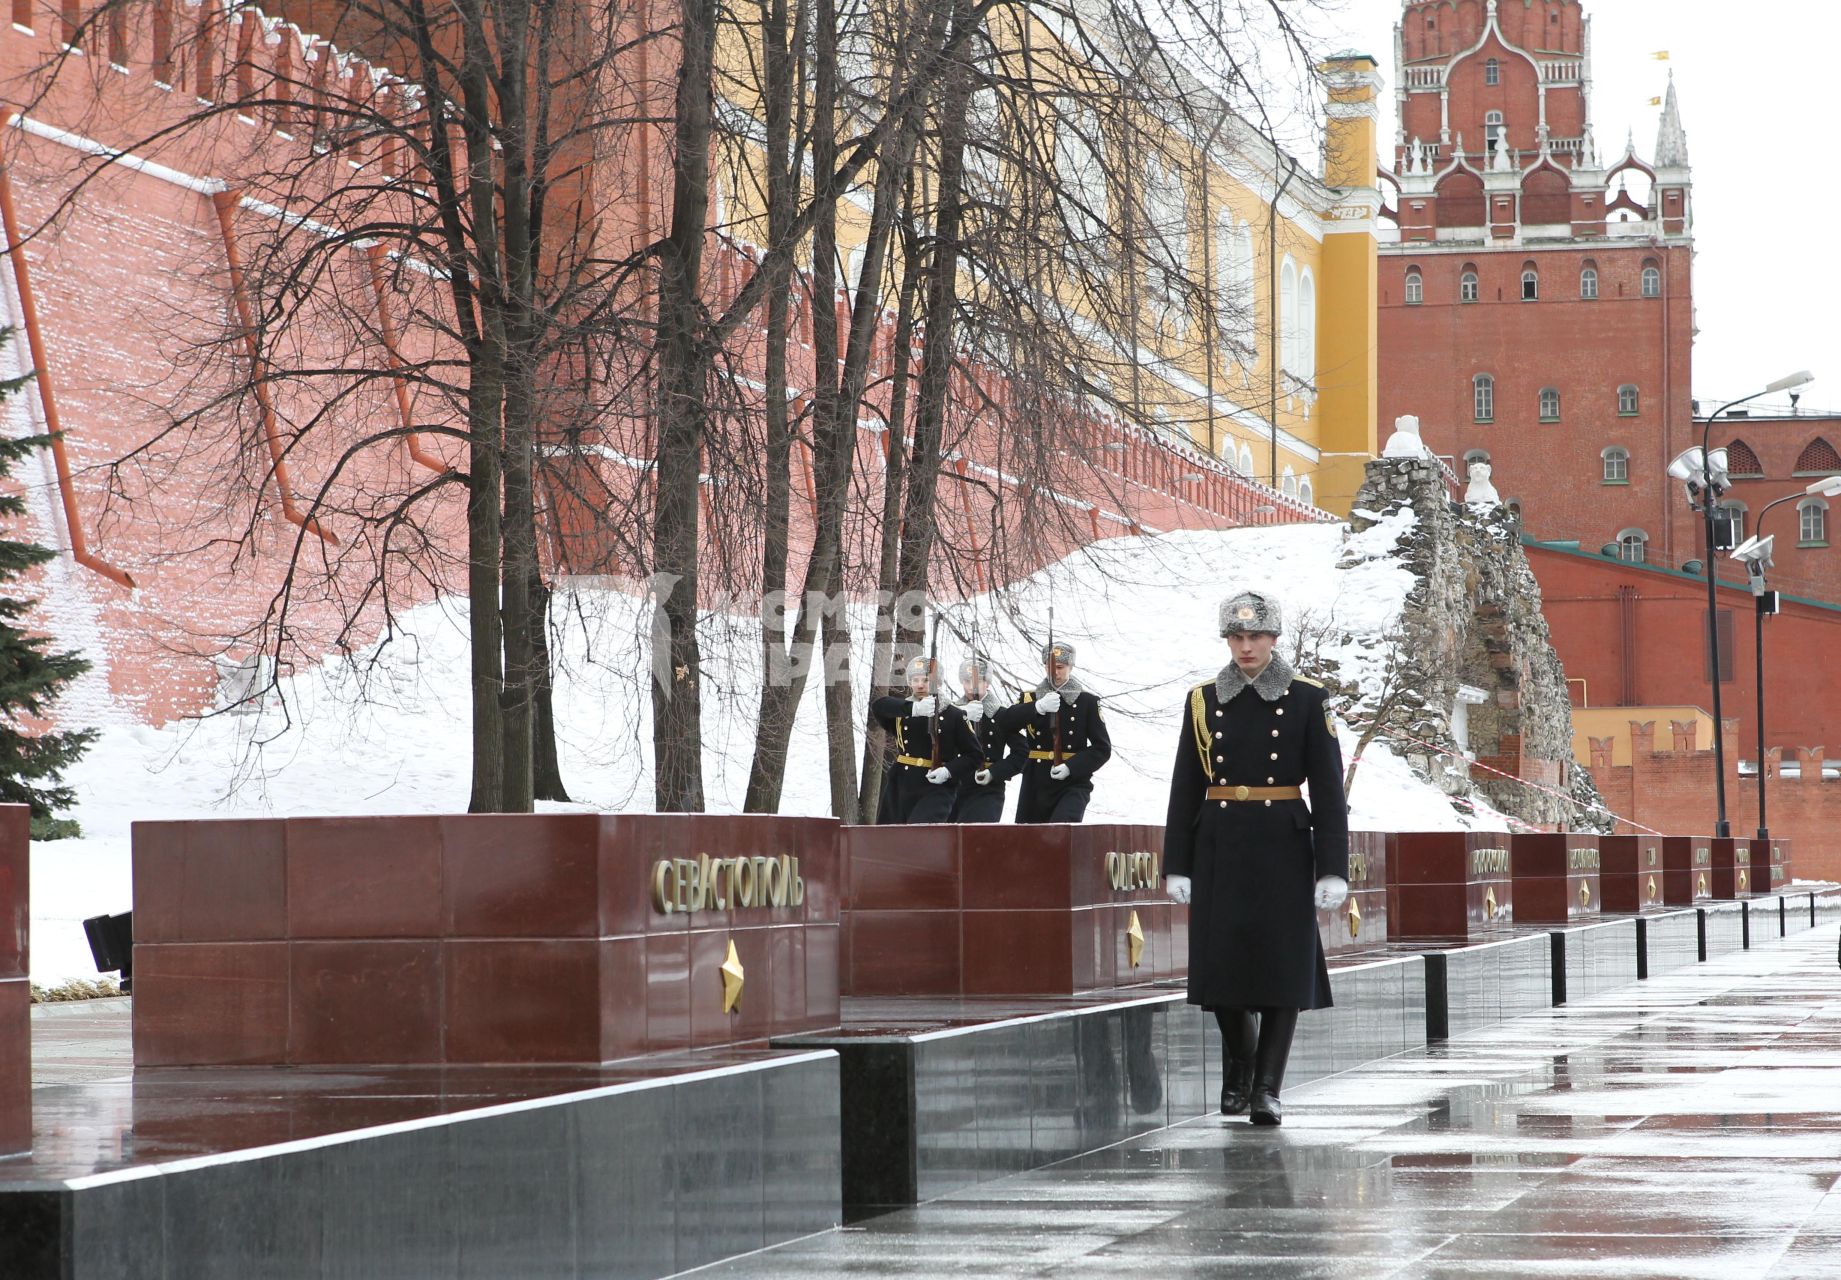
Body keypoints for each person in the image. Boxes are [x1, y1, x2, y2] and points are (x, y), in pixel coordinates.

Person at [1161, 590, 1348, 1126]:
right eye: (1237, 637)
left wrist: (1333, 866)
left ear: (1274, 639)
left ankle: (1266, 1087)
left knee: (1282, 969)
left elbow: (1329, 791)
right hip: (1219, 839)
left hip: (1283, 843)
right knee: (1221, 971)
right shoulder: (1202, 700)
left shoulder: (1308, 698)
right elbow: (1185, 784)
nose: (1246, 647)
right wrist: (1177, 859)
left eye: (1256, 637)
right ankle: (1241, 1064)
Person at [997, 641, 1110, 823]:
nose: (1054, 672)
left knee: (1061, 834)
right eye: (1050, 667)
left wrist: (1071, 767)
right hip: (1036, 781)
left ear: (1070, 667)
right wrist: (1037, 707)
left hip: (1072, 783)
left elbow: (1102, 748)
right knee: (1030, 841)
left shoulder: (1087, 702)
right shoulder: (1031, 698)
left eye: (1060, 667)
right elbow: (1004, 724)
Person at [870, 655, 965, 824]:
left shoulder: (953, 715)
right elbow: (879, 707)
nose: (920, 685)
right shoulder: (904, 711)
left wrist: (948, 771)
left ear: (938, 683)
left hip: (935, 789)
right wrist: (913, 709)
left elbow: (974, 755)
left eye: (926, 680)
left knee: (919, 837)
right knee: (887, 842)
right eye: (915, 680)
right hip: (900, 786)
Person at [946, 657, 1022, 823]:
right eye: (966, 681)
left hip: (987, 790)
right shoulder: (953, 713)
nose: (971, 686)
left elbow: (1022, 753)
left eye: (977, 681)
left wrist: (994, 773)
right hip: (954, 785)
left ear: (987, 683)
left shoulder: (1001, 714)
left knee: (977, 838)